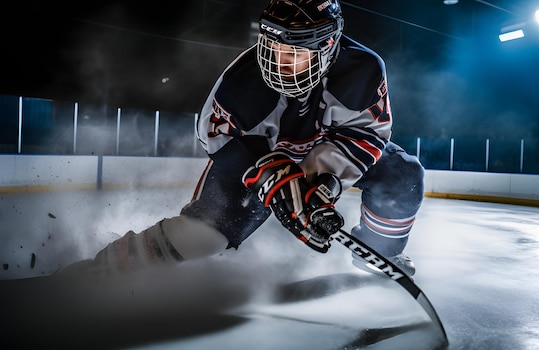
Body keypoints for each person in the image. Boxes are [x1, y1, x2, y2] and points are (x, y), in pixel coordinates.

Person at [63, 0, 424, 278]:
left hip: (325, 149)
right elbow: (213, 134)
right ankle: (103, 268)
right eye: (274, 48)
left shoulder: (363, 69)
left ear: (329, 45)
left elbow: (365, 133)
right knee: (203, 236)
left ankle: (380, 254)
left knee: (404, 175)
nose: (279, 63)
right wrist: (262, 173)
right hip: (258, 158)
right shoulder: (243, 80)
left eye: (294, 53)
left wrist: (324, 179)